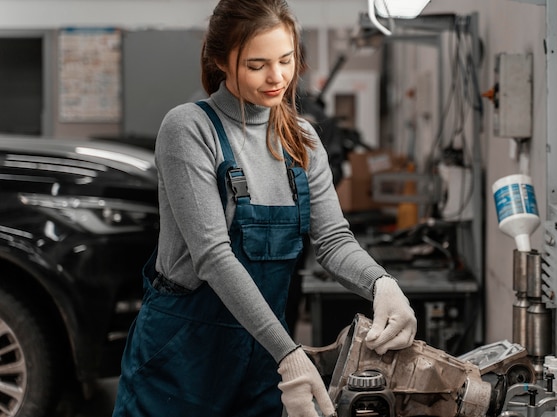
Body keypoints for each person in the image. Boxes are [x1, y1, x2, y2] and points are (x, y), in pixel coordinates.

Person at [111, 0, 417, 416]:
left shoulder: (302, 139)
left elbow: (331, 239)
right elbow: (213, 256)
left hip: (263, 355)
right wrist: (290, 354)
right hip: (181, 360)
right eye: (257, 65)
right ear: (220, 60)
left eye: (286, 60)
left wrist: (382, 284)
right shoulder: (189, 128)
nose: (277, 78)